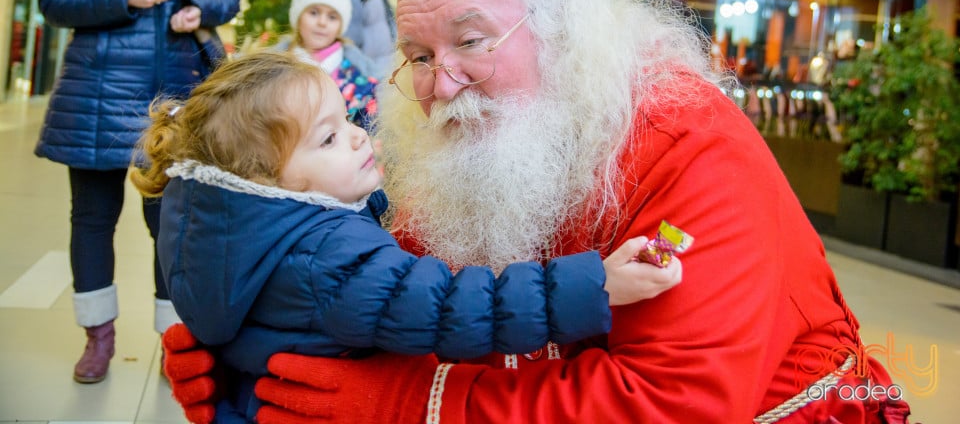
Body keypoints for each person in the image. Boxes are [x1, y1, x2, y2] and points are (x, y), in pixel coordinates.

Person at [164, 0, 913, 423]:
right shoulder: (463, 142)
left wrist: (406, 406)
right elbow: (395, 296)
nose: (439, 82)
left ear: (557, 31)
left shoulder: (688, 138)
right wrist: (251, 347)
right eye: (419, 55)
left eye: (472, 40)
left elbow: (675, 404)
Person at [130, 51, 681, 421]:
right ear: (270, 183)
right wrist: (595, 285)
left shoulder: (226, 229)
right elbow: (458, 308)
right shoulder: (331, 258)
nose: (354, 136)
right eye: (326, 140)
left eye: (345, 119)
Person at [33, 0, 241, 384]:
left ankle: (174, 340)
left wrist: (201, 6)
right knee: (93, 219)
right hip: (95, 95)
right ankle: (98, 338)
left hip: (170, 97)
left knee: (170, 222)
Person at [287, 0, 378, 129]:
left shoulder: (360, 81)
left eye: (332, 17)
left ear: (341, 26)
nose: (322, 22)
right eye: (313, 12)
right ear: (298, 16)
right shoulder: (275, 70)